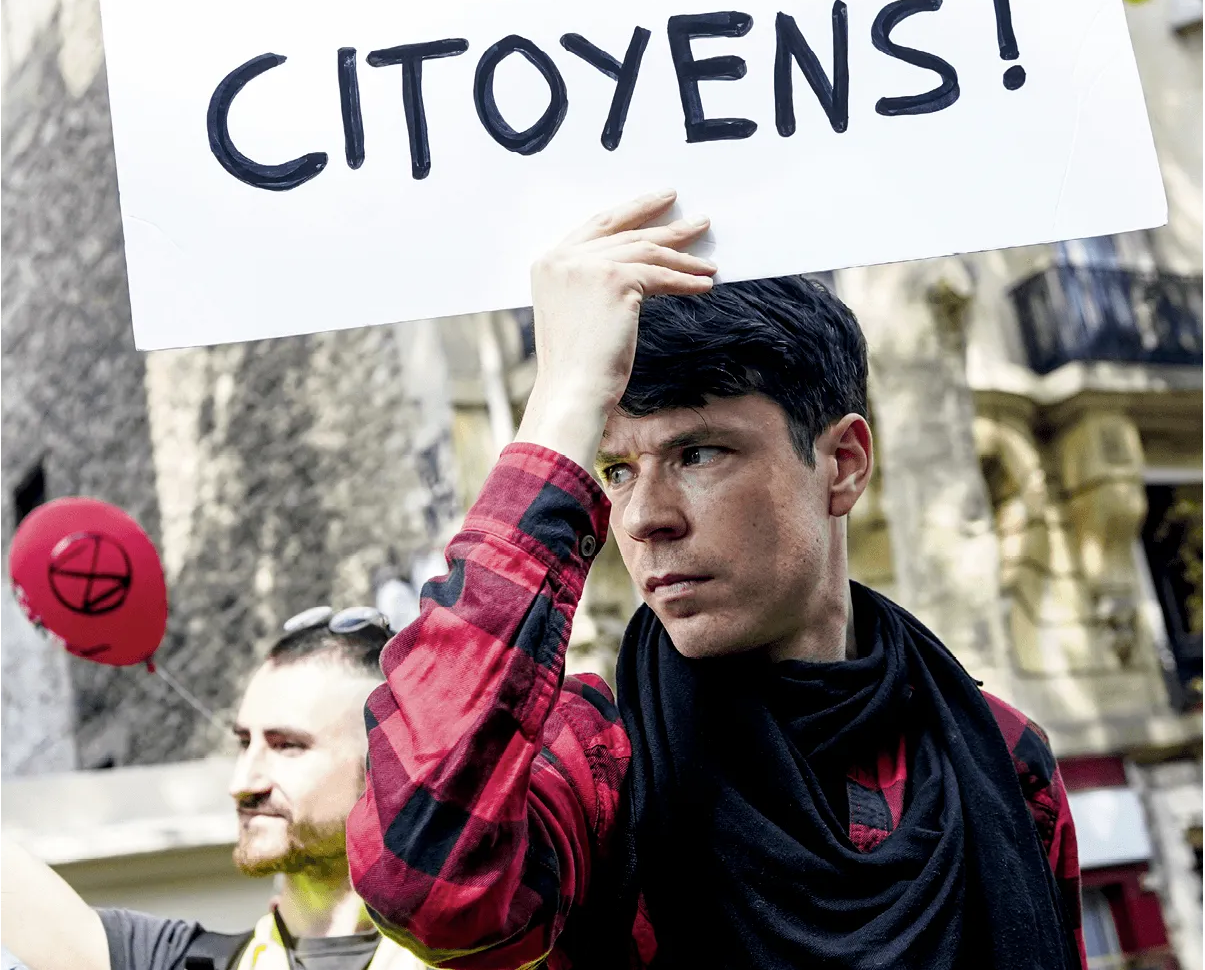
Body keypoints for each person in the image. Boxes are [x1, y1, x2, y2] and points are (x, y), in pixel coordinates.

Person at [347, 190, 1087, 970]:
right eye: (617, 469)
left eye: (697, 453)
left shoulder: (1002, 753)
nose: (640, 518)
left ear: (841, 464)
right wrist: (562, 402)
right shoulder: (598, 755)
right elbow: (425, 878)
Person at [1, 609, 421, 970]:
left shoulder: (472, 956)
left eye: (286, 746)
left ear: (383, 765)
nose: (242, 784)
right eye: (244, 743)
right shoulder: (181, 960)